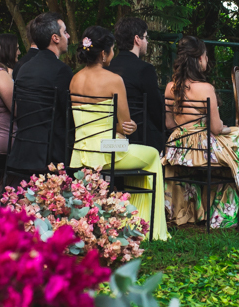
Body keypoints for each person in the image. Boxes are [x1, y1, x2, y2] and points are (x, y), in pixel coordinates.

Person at [69, 26, 170, 241]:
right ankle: (148, 227)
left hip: (81, 150)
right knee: (152, 154)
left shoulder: (74, 79)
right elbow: (125, 124)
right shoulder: (113, 80)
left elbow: (91, 120)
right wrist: (130, 127)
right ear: (104, 53)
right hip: (109, 149)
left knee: (132, 148)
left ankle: (131, 220)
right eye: (112, 49)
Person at [162, 36, 239, 228]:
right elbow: (215, 128)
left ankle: (196, 209)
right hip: (202, 150)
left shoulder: (170, 87)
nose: (207, 60)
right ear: (199, 59)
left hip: (177, 149)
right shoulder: (206, 88)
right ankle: (233, 207)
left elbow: (169, 124)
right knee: (236, 136)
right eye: (206, 56)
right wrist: (222, 127)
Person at [8, 12, 74, 176]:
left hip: (23, 148)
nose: (69, 35)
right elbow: (68, 114)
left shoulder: (24, 67)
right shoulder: (61, 70)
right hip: (50, 153)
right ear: (55, 38)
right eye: (65, 31)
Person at [107, 17, 165, 152]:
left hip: (110, 133)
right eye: (145, 37)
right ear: (137, 39)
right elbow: (156, 108)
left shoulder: (108, 67)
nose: (147, 41)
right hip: (139, 138)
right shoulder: (145, 69)